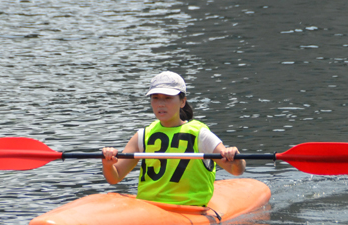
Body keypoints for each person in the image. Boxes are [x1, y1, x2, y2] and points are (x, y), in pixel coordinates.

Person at [102, 71, 246, 206]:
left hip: (189, 209)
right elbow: (115, 177)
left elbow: (235, 170)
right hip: (148, 207)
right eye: (155, 98)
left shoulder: (200, 134)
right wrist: (108, 164)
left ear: (182, 102)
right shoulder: (143, 135)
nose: (161, 104)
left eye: (168, 98)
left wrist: (236, 158)